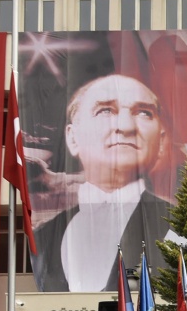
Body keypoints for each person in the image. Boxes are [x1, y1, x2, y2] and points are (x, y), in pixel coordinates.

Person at [32, 74, 174, 292]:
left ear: (161, 141)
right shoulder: (41, 237)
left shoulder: (185, 229)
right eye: (105, 111)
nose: (126, 127)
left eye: (144, 113)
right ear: (72, 138)